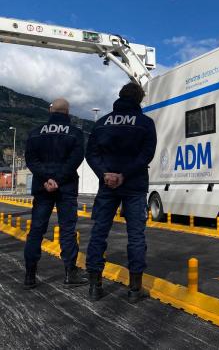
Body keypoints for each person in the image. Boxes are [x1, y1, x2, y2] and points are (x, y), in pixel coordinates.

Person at [86, 82, 157, 302]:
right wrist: (124, 174)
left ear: (120, 96)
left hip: (107, 187)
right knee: (136, 236)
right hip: (134, 186)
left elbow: (91, 154)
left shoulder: (101, 123)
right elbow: (146, 154)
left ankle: (94, 286)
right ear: (139, 99)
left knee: (99, 233)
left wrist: (105, 174)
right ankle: (134, 289)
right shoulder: (145, 123)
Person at [24, 98, 87, 289]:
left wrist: (47, 179)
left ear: (50, 111)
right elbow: (75, 160)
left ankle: (30, 276)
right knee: (67, 230)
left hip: (43, 188)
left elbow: (31, 160)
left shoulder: (35, 133)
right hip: (66, 187)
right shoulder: (75, 133)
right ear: (67, 112)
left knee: (36, 230)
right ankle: (70, 273)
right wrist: (58, 179)